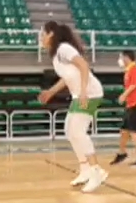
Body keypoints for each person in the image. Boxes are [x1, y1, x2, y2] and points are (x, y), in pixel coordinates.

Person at [37, 21, 108, 193]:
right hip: (80, 94)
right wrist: (51, 92)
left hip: (90, 93)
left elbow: (83, 66)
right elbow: (68, 77)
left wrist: (83, 91)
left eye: (42, 34)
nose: (41, 38)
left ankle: (96, 170)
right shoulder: (56, 56)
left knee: (78, 131)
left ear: (51, 34)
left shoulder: (64, 49)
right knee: (69, 130)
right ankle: (85, 169)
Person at [110, 50, 136, 168]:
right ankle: (122, 153)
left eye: (121, 57)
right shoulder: (128, 71)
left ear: (127, 57)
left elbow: (134, 85)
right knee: (124, 131)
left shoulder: (134, 69)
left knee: (135, 133)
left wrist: (123, 95)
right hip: (130, 105)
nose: (120, 60)